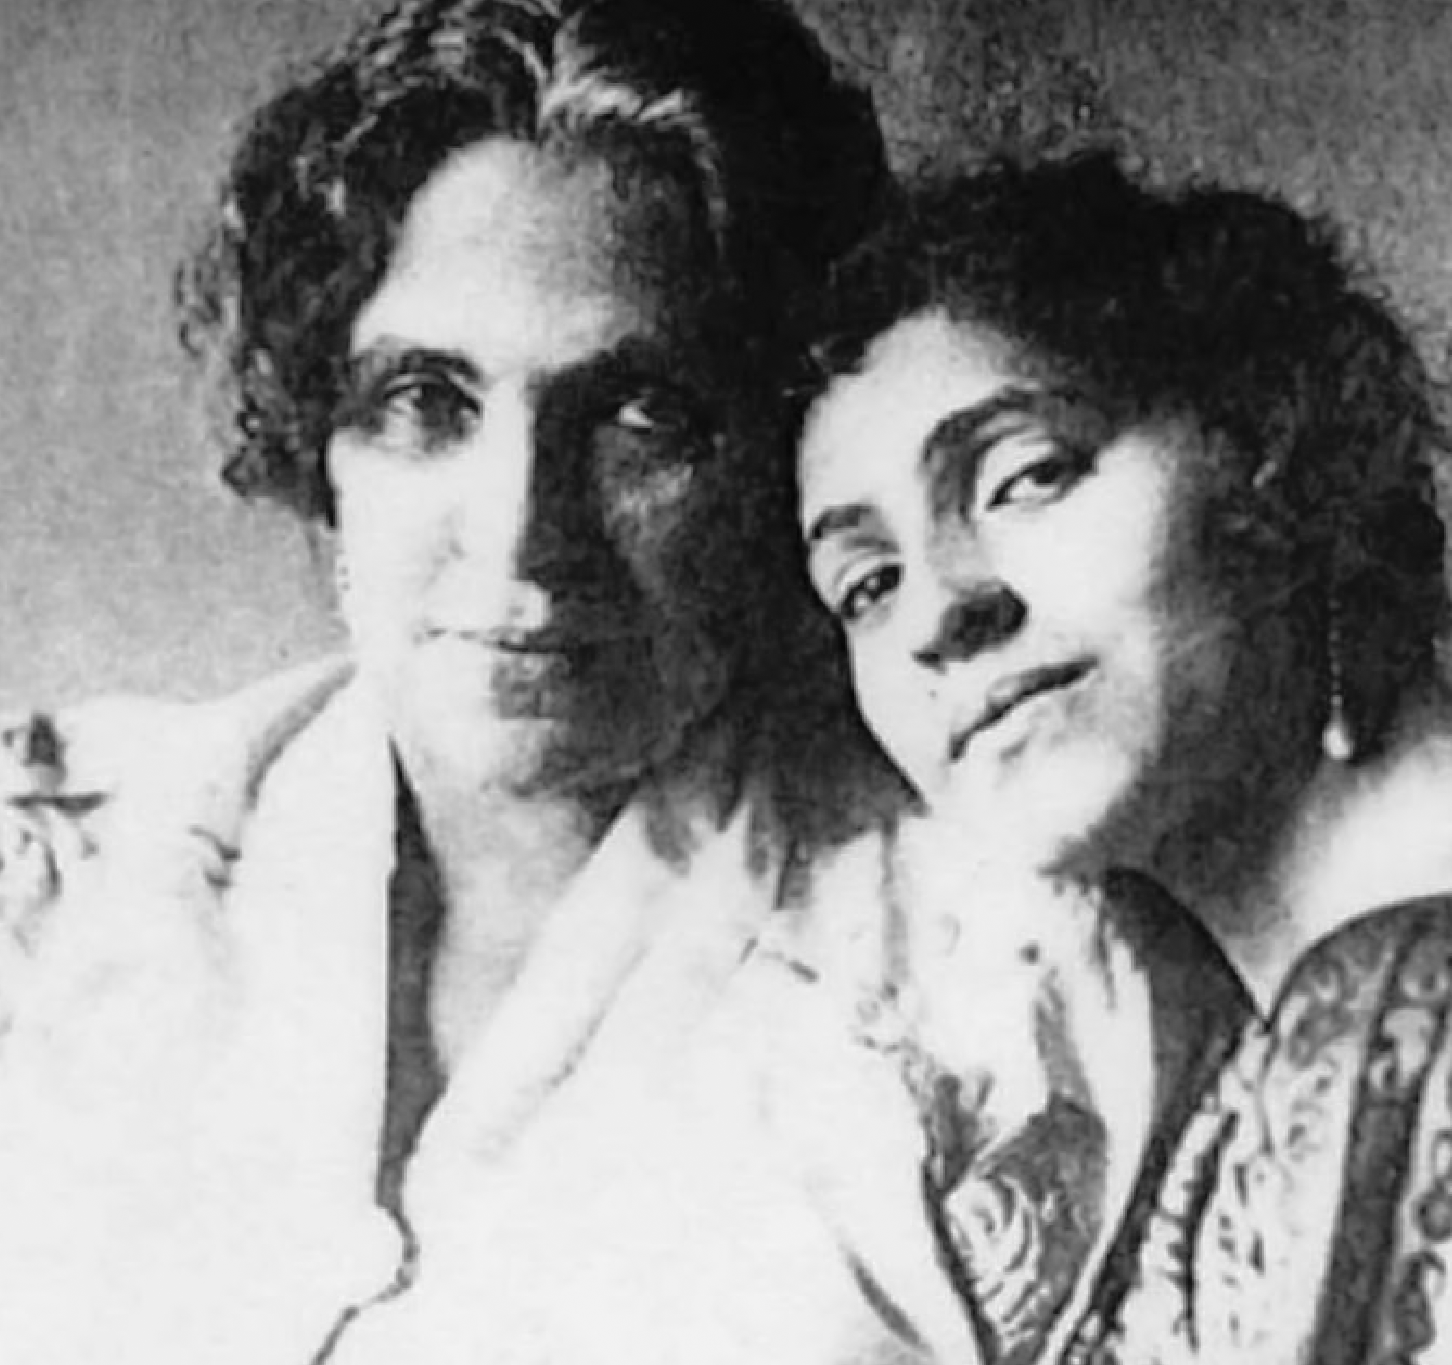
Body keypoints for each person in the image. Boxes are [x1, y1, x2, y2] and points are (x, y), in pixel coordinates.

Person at [0, 8, 1239, 1365]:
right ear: (322, 445)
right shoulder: (54, 880)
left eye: (640, 417)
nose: (523, 535)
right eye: (423, 401)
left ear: (776, 459)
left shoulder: (1015, 1003)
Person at [796, 151, 1452, 1365]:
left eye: (1024, 477)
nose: (936, 613)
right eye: (865, 584)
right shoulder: (1267, 1035)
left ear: (1268, 452)